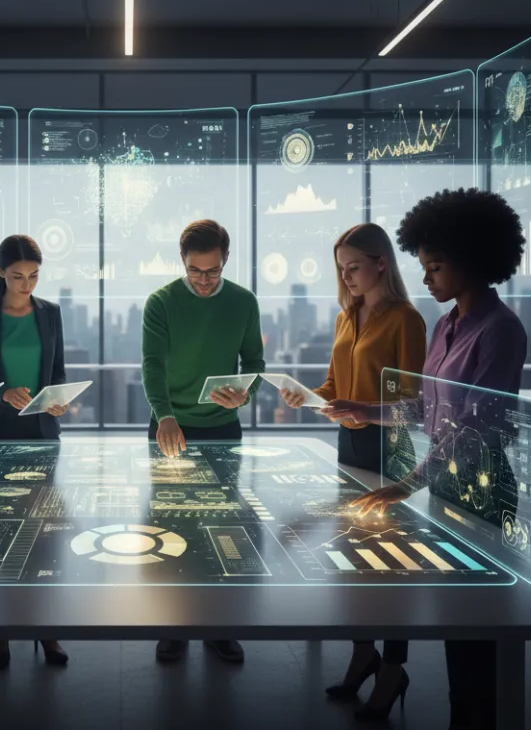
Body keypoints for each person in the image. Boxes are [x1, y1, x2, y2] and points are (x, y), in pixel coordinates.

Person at [331, 189, 528, 730]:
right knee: (451, 624)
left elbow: (475, 431)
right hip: (443, 488)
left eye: (436, 267)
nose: (426, 279)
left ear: (474, 260)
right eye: (423, 266)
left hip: (482, 491)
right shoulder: (446, 326)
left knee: (476, 641)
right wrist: (362, 409)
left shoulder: (501, 331)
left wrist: (405, 484)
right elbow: (423, 408)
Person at [279, 223, 425, 720]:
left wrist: (363, 408)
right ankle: (364, 653)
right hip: (350, 446)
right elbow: (333, 384)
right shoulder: (348, 316)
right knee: (355, 556)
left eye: (354, 267)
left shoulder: (407, 320)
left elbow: (415, 405)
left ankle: (393, 669)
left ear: (381, 262)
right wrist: (306, 395)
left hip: (390, 449)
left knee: (391, 561)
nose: (347, 277)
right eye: (341, 269)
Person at [141, 219, 265, 665]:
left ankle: (218, 627)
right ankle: (172, 627)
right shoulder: (161, 303)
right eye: (195, 271)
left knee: (222, 529)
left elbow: (255, 361)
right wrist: (165, 415)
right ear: (183, 263)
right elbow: (152, 365)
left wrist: (245, 392)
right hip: (170, 425)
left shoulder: (243, 302)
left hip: (223, 426)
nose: (205, 281)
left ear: (225, 260)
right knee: (170, 526)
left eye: (212, 271)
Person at [0, 234, 70, 670]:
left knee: (43, 532)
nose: (26, 285)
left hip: (41, 433)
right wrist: (3, 392)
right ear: (1, 274)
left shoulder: (51, 314)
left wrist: (59, 399)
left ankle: (46, 632)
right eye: (17, 277)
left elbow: (58, 372)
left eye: (33, 277)